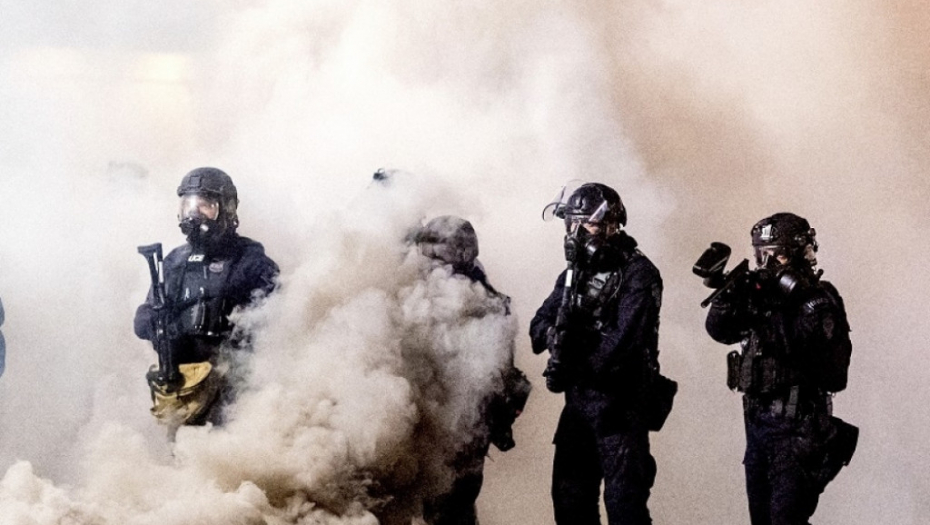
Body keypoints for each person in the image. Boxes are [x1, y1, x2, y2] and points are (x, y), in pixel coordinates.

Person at [530, 182, 672, 525]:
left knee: (624, 508)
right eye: (573, 224)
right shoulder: (574, 273)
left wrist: (573, 359)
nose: (577, 233)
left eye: (587, 225)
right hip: (579, 410)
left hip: (620, 411)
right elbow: (538, 326)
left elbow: (622, 345)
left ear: (612, 225)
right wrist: (555, 337)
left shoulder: (638, 273)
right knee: (570, 504)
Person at [703, 212, 857, 525]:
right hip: (758, 424)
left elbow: (829, 369)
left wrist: (770, 311)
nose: (768, 264)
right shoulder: (761, 297)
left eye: (778, 255)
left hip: (797, 428)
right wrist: (726, 296)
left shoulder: (819, 299)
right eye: (762, 255)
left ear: (800, 254)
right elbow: (720, 331)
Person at [134, 167, 279, 434]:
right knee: (186, 452)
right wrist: (148, 319)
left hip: (236, 389)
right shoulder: (174, 262)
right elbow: (151, 310)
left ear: (227, 209)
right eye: (188, 205)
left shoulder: (251, 263)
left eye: (204, 205)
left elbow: (280, 329)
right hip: (186, 388)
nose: (194, 213)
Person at [413, 215, 531, 525]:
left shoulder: (484, 302)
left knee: (452, 506)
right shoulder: (424, 292)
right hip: (433, 421)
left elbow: (498, 373)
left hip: (463, 423)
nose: (432, 268)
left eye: (437, 260)